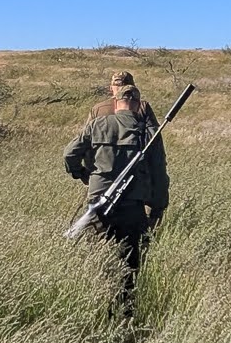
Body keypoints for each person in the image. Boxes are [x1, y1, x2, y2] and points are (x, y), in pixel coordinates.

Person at [63, 72, 168, 288]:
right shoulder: (144, 122)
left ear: (115, 96)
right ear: (136, 103)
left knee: (96, 258)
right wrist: (157, 208)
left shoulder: (97, 116)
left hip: (98, 193)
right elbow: (158, 167)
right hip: (132, 201)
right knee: (130, 263)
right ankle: (125, 308)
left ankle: (98, 297)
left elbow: (71, 154)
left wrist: (86, 175)